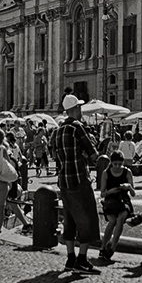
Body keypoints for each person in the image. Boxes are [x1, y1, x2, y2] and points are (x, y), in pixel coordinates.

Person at [49, 93, 101, 273]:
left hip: (64, 180)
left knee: (70, 220)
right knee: (88, 219)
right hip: (79, 179)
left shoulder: (57, 131)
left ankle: (70, 259)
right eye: (79, 107)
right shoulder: (78, 127)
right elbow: (94, 154)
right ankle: (82, 259)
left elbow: (54, 156)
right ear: (76, 109)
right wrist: (88, 156)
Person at [98, 151, 134, 261]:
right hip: (110, 200)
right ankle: (103, 247)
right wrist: (110, 191)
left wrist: (129, 187)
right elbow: (102, 193)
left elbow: (133, 193)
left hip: (123, 200)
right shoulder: (106, 173)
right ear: (111, 163)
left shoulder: (127, 172)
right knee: (112, 220)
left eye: (120, 164)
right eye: (115, 164)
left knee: (121, 217)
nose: (118, 167)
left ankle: (112, 247)